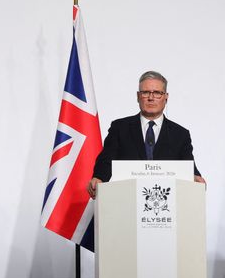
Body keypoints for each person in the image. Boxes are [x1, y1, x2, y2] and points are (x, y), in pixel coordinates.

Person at [87, 70, 204, 199]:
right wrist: (99, 177)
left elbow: (188, 166)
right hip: (127, 199)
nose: (151, 98)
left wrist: (195, 177)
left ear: (166, 97)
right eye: (145, 92)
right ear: (138, 96)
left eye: (157, 93)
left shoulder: (180, 134)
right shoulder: (120, 128)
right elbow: (106, 160)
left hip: (165, 201)